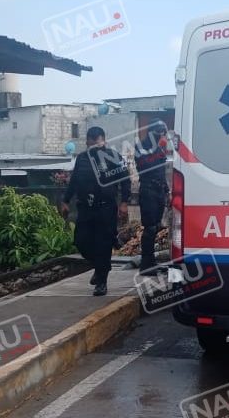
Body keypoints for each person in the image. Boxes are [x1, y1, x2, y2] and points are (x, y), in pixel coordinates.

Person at [60, 126, 131, 295]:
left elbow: (126, 181)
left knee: (103, 244)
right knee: (81, 241)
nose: (92, 146)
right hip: (86, 209)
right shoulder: (82, 159)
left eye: (95, 142)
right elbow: (74, 181)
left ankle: (101, 282)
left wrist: (124, 203)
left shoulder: (114, 157)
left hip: (106, 208)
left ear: (102, 141)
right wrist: (65, 201)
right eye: (89, 143)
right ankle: (101, 267)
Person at [135, 120, 170, 274]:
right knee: (149, 228)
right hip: (148, 190)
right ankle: (145, 265)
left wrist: (167, 191)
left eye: (164, 132)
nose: (162, 135)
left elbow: (161, 171)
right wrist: (157, 148)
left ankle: (152, 263)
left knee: (156, 227)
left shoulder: (160, 147)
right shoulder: (140, 146)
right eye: (160, 132)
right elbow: (146, 166)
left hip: (159, 190)